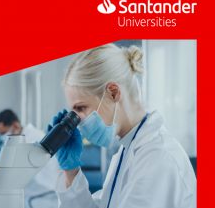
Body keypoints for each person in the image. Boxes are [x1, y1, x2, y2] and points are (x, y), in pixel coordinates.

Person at [48, 44, 196, 208]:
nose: (78, 120)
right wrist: (71, 171)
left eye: (81, 108)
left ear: (113, 92)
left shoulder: (156, 158)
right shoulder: (128, 149)